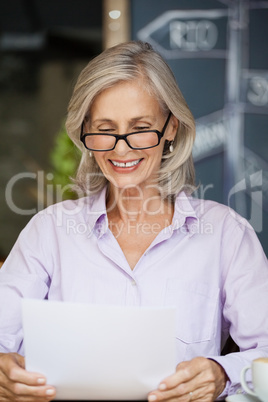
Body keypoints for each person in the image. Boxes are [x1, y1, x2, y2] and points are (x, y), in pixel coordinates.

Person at [0, 40, 267, 402]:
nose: (121, 149)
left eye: (140, 127)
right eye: (105, 129)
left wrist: (223, 374)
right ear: (85, 133)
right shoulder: (48, 233)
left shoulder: (227, 235)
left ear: (170, 127)